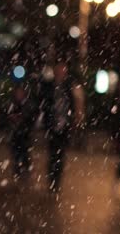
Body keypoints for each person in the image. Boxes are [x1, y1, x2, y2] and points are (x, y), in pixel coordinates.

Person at [41, 61, 74, 192]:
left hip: (63, 126)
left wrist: (70, 120)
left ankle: (56, 182)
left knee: (60, 155)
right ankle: (52, 181)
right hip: (52, 125)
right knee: (52, 154)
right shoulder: (48, 87)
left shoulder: (67, 87)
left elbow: (71, 105)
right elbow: (45, 105)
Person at [6, 84, 37, 181]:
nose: (19, 94)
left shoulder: (28, 104)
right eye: (17, 92)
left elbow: (31, 117)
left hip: (24, 135)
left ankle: (25, 173)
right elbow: (6, 116)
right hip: (15, 135)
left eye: (20, 92)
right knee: (16, 155)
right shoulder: (12, 104)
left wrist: (23, 119)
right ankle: (18, 174)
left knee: (25, 155)